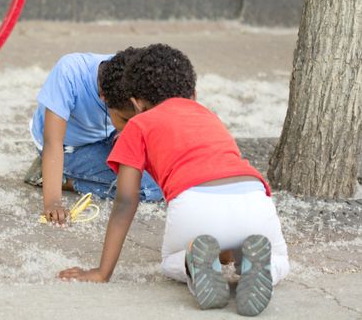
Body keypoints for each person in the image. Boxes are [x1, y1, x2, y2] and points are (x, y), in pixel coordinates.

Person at [58, 44, 290, 316]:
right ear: (193, 93)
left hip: (194, 204)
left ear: (135, 103)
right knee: (280, 259)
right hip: (253, 200)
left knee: (170, 262)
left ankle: (193, 265)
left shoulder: (138, 125)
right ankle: (253, 264)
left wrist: (102, 272)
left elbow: (125, 201)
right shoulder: (209, 116)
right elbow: (226, 170)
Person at [25, 51, 163, 225]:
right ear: (104, 97)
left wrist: (121, 134)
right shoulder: (69, 72)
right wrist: (53, 202)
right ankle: (59, 178)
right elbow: (53, 142)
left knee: (163, 176)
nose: (132, 127)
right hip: (68, 148)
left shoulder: (130, 75)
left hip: (106, 136)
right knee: (146, 189)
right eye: (126, 120)